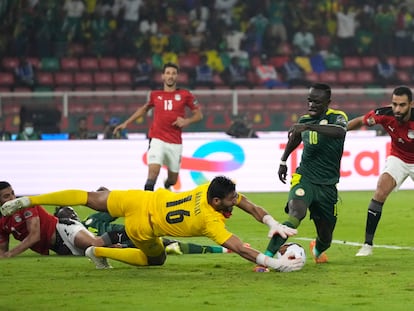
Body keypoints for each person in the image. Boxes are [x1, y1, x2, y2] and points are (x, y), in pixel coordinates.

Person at [1, 176, 304, 272]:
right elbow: (240, 248)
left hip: (140, 200)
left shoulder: (209, 189)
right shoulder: (210, 220)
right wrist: (274, 265)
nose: (236, 199)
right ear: (216, 201)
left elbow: (249, 204)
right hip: (143, 226)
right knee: (155, 259)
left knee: (89, 197)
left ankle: (30, 199)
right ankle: (101, 252)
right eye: (230, 198)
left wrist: (271, 221)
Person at [258, 83, 347, 268]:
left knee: (326, 237)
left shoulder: (337, 117)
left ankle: (317, 249)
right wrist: (283, 161)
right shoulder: (304, 121)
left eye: (317, 102)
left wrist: (307, 127)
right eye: (310, 100)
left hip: (328, 187)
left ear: (328, 102)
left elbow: (339, 132)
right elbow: (294, 139)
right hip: (304, 178)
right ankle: (266, 259)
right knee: (295, 214)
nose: (311, 105)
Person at [113, 62, 203, 191]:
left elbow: (199, 115)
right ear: (162, 76)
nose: (170, 76)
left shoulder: (185, 94)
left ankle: (167, 185)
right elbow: (144, 109)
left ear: (177, 76)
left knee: (173, 179)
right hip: (157, 139)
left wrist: (186, 121)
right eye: (167, 73)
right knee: (153, 174)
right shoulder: (155, 95)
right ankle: (147, 205)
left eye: (173, 73)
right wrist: (126, 123)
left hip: (175, 142)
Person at [347, 85, 414, 257]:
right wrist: (340, 131)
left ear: (411, 105)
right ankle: (367, 245)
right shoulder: (384, 114)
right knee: (380, 191)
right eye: (394, 104)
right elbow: (361, 120)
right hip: (398, 158)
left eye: (402, 105)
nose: (397, 109)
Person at [55, 205, 232, 255]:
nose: (70, 212)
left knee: (167, 244)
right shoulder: (81, 227)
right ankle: (222, 249)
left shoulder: (89, 221)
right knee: (169, 243)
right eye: (67, 211)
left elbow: (114, 209)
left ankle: (222, 249)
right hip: (123, 235)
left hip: (124, 235)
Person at [0, 181, 108, 259]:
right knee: (94, 251)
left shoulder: (26, 206)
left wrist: (11, 254)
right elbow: (2, 251)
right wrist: (4, 255)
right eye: (6, 196)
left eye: (13, 193)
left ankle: (121, 240)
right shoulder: (2, 222)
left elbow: (34, 236)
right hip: (60, 248)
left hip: (64, 230)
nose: (12, 199)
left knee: (96, 244)